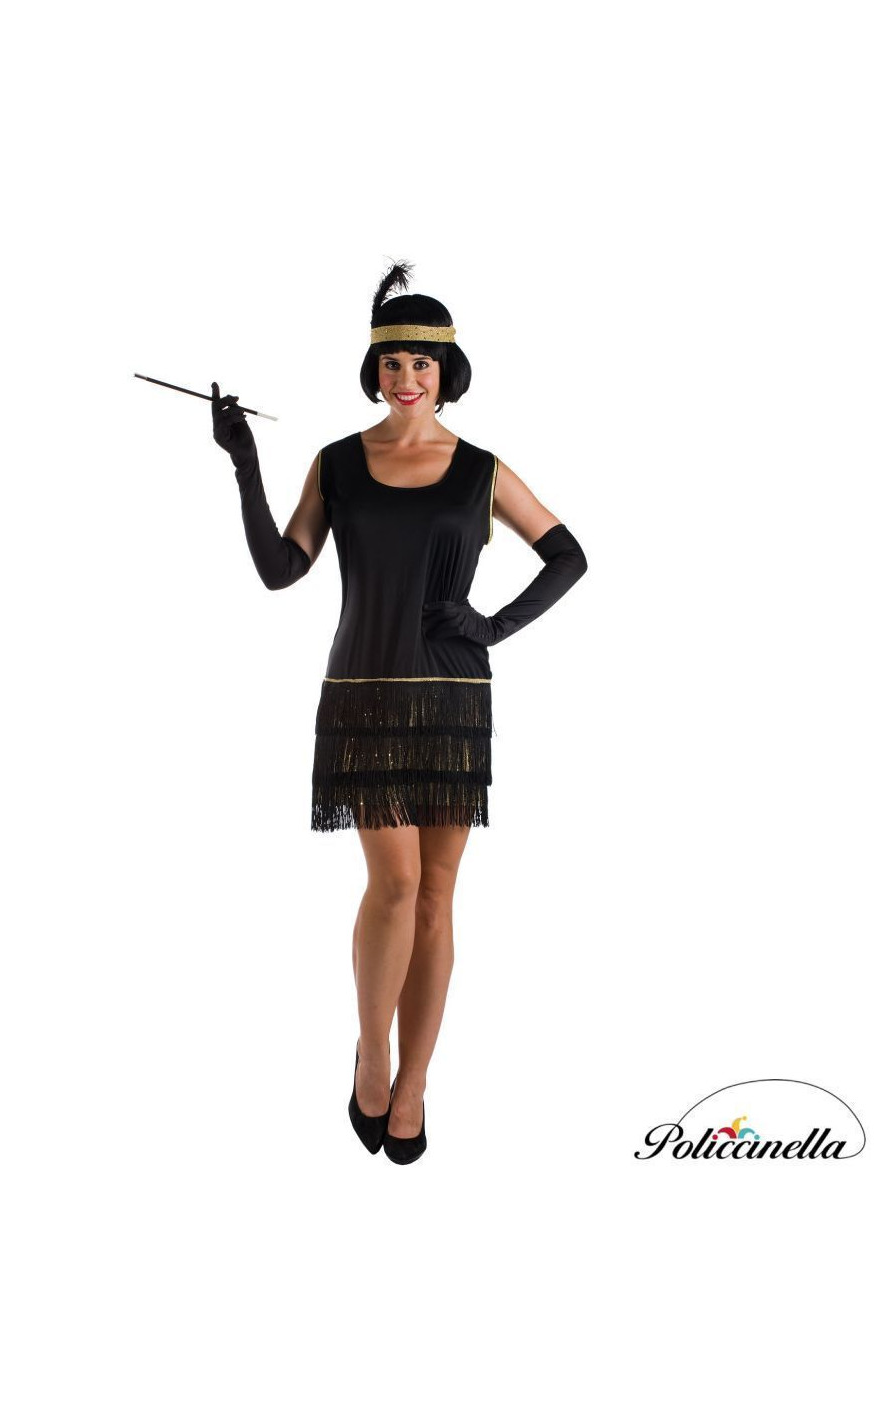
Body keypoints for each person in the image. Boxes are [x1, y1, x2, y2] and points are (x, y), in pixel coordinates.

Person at [211, 260, 587, 1164]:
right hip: (366, 693)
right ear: (374, 369)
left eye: (422, 363)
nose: (407, 378)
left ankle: (415, 1081)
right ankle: (370, 1053)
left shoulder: (480, 471)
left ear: (446, 371)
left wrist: (491, 626)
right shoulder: (338, 463)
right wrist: (246, 465)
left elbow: (568, 556)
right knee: (396, 884)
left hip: (454, 698)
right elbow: (280, 569)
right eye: (392, 362)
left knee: (438, 894)